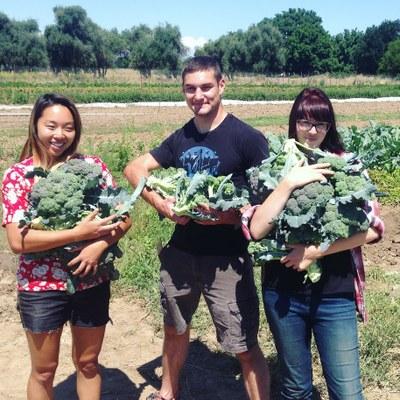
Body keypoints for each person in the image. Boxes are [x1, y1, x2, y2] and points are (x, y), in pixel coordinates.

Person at [124, 56, 270, 400]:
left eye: (206, 87)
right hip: (180, 255)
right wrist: (162, 205)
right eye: (190, 89)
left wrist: (225, 216)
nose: (198, 95)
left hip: (227, 260)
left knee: (243, 344)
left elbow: (265, 205)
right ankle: (167, 393)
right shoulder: (181, 138)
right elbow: (134, 170)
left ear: (222, 85)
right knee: (174, 329)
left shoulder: (247, 138)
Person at [243, 87, 384, 400]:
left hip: (335, 293)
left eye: (321, 124)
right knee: (296, 389)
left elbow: (374, 229)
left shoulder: (348, 165)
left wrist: (316, 250)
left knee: (347, 392)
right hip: (283, 293)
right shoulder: (275, 167)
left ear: (330, 127)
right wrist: (290, 181)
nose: (312, 131)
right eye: (305, 122)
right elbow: (256, 229)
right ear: (294, 122)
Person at [1, 93, 132, 400]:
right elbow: (18, 241)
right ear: (35, 126)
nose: (60, 134)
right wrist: (77, 233)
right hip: (40, 286)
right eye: (51, 126)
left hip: (91, 280)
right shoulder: (18, 177)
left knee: (87, 364)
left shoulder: (92, 167)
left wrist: (98, 244)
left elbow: (123, 218)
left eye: (68, 127)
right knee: (44, 371)